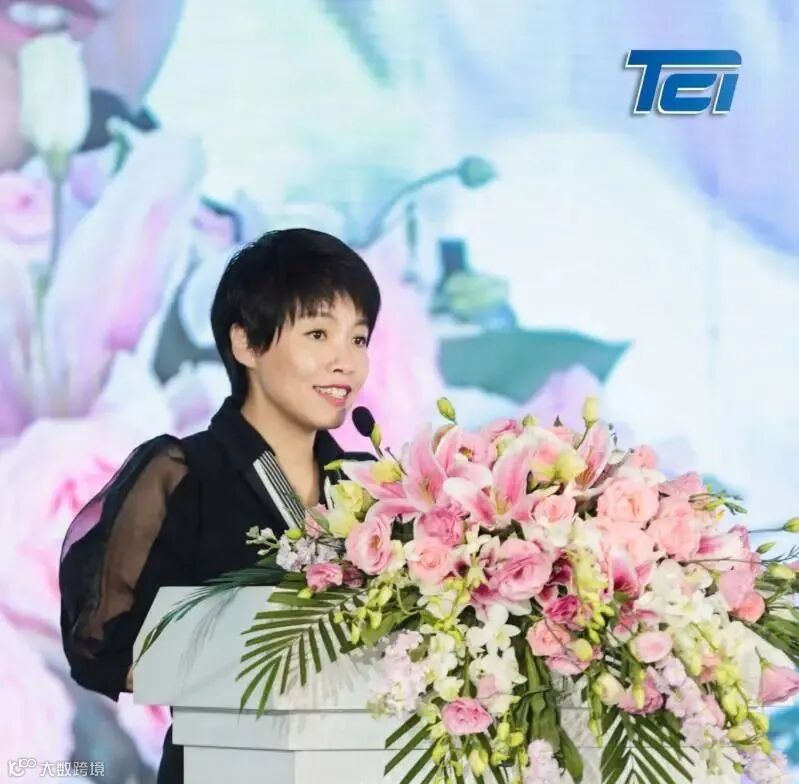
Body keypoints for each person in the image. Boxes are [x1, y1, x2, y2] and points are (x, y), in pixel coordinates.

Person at [59, 228, 381, 783]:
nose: (346, 362)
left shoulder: (370, 487)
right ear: (246, 343)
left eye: (358, 339)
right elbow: (101, 643)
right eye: (318, 334)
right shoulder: (182, 474)